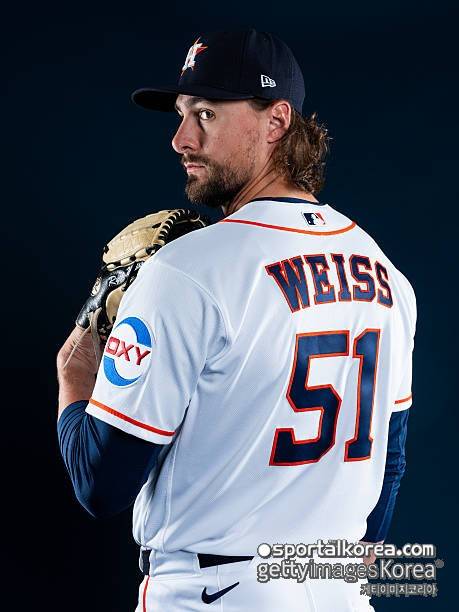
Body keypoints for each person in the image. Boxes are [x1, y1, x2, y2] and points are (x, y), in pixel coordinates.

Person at [57, 29, 416, 611]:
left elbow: (99, 484)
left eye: (206, 113)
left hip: (211, 592)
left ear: (277, 121)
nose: (181, 138)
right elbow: (388, 470)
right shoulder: (387, 275)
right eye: (181, 114)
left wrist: (73, 371)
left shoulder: (185, 271)